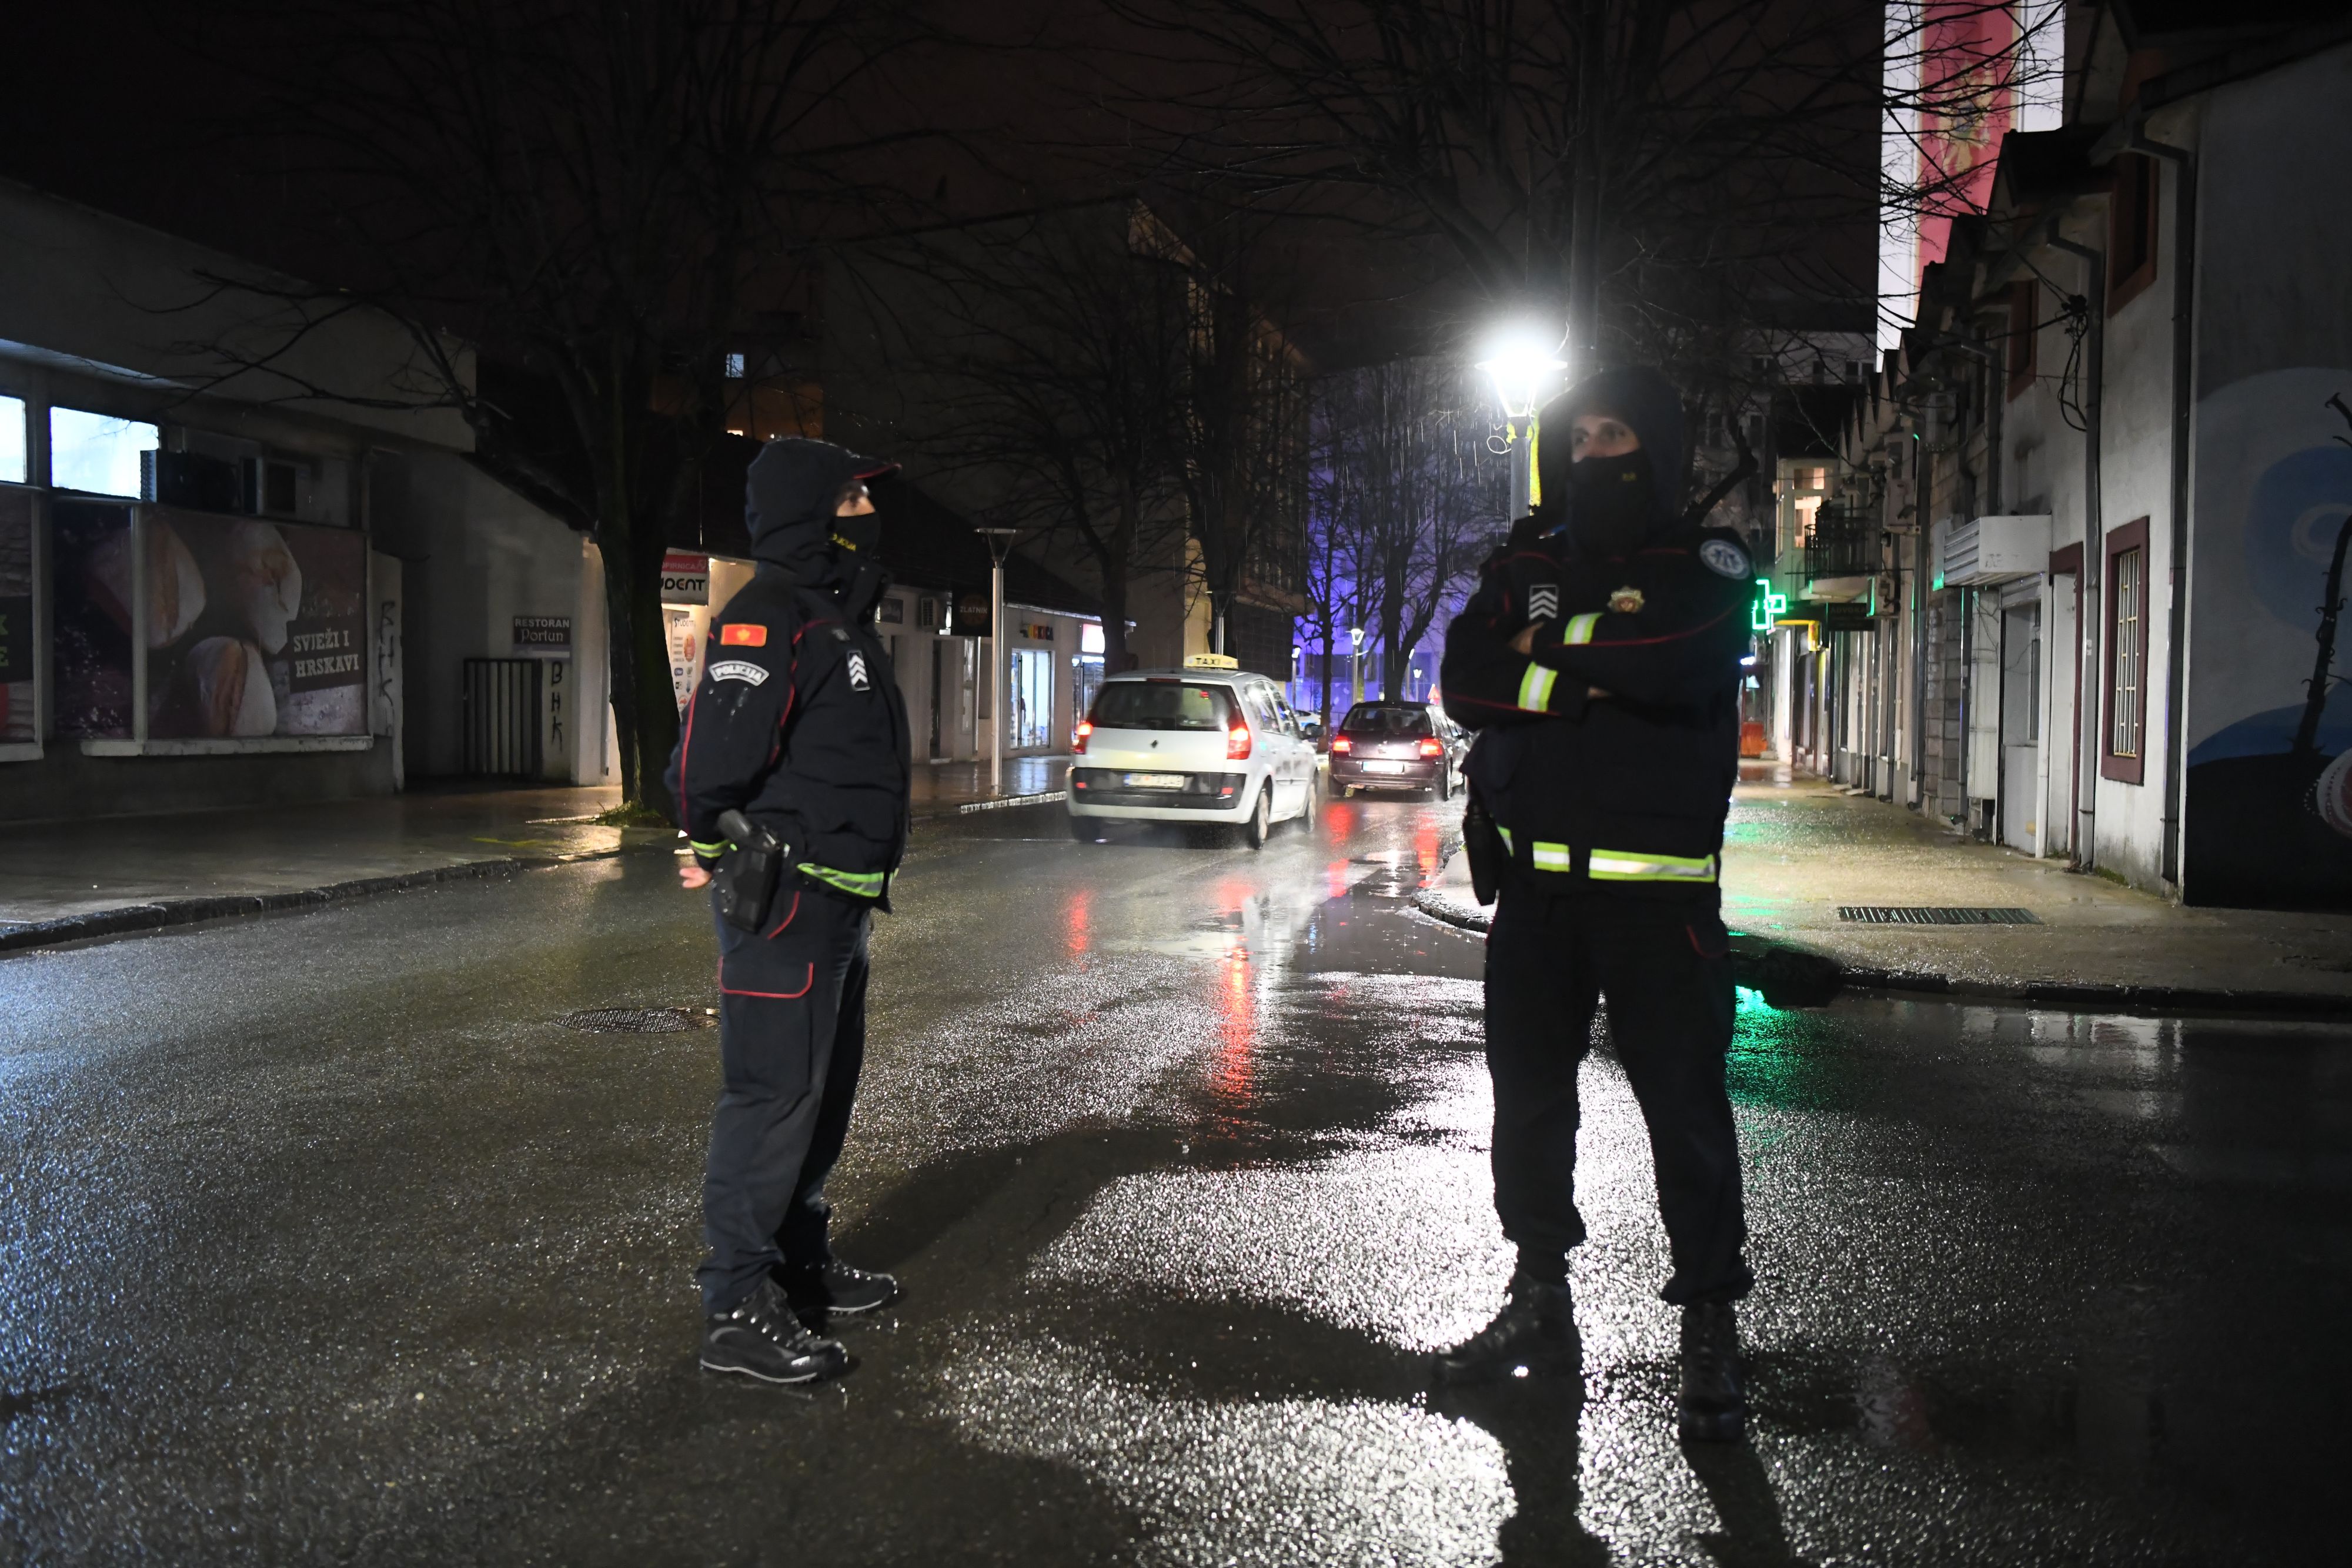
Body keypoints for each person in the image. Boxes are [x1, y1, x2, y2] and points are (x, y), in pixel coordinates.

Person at [1435, 366, 1755, 1441]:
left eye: (1614, 434)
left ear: (1653, 449)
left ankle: (1709, 1326)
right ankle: (1539, 1297)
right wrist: (1590, 675)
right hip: (1536, 902)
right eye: (1578, 437)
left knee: (1686, 1119)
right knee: (1528, 1109)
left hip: (1659, 909)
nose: (1592, 454)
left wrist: (1545, 657)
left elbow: (1675, 658)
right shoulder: (1528, 562)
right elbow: (1466, 680)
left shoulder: (1705, 566)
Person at [665, 436, 913, 1384]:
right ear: (810, 513)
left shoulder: (831, 619)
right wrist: (706, 841)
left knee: (822, 1094)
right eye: (850, 499)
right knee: (771, 1099)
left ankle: (799, 1261)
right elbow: (705, 761)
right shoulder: (771, 617)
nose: (867, 512)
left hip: (839, 903)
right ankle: (736, 1302)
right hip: (788, 902)